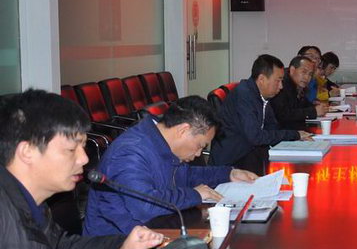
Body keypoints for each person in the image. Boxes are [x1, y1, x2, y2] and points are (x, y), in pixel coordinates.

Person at [0, 90, 164, 249]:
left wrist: (121, 248)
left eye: (83, 146)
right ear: (27, 151)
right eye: (71, 149)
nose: (84, 158)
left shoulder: (33, 203)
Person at [84, 96, 258, 236]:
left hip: (155, 231)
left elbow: (187, 176)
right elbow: (145, 206)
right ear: (183, 130)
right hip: (117, 247)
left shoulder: (162, 142)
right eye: (200, 145)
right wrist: (195, 194)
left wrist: (228, 174)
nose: (199, 154)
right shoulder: (130, 152)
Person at [210, 55, 307, 175]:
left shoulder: (261, 95)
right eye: (278, 80)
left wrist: (294, 138)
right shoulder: (245, 95)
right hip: (232, 163)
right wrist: (293, 135)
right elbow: (255, 137)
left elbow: (272, 126)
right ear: (262, 79)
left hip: (249, 155)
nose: (281, 86)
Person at [271, 55, 329, 131]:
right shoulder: (282, 84)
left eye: (310, 74)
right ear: (292, 70)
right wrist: (313, 111)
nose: (307, 77)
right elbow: (282, 114)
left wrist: (317, 107)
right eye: (304, 72)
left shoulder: (298, 84)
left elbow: (303, 105)